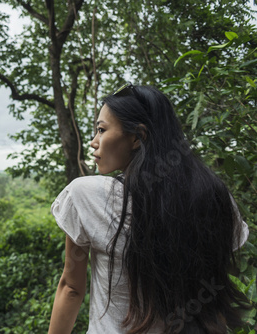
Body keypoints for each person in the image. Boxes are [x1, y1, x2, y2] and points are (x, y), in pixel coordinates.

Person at [48, 83, 250, 334]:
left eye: (101, 130)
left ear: (138, 137)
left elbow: (71, 288)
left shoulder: (87, 195)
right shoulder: (214, 196)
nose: (93, 142)